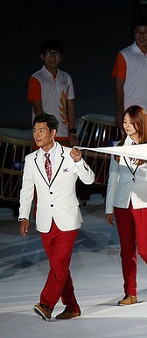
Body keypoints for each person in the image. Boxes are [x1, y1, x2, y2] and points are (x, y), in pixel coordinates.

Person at [17, 113, 95, 321]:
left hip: (68, 220)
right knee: (59, 268)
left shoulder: (71, 154)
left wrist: (79, 163)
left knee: (59, 266)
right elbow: (27, 191)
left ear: (53, 133)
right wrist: (23, 216)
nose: (37, 135)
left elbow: (89, 179)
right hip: (44, 221)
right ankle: (72, 306)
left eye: (41, 131)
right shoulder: (31, 160)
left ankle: (46, 304)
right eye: (34, 131)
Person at [105, 105, 147, 306]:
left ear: (139, 123)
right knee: (126, 251)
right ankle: (130, 293)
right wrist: (109, 207)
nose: (127, 126)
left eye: (131, 122)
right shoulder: (118, 146)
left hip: (144, 202)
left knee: (144, 249)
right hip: (122, 203)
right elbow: (113, 178)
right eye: (124, 122)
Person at [27, 39, 78, 147]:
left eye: (56, 54)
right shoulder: (36, 78)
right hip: (43, 134)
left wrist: (72, 132)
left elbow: (71, 106)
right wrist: (46, 131)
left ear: (61, 56)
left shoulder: (66, 77)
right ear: (42, 56)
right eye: (49, 54)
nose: (53, 57)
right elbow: (37, 109)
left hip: (63, 132)